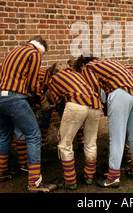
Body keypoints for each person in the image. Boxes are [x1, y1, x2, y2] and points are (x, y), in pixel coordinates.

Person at [0, 36, 56, 193]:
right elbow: (33, 83)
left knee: (5, 134)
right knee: (34, 135)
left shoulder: (14, 50)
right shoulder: (34, 54)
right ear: (42, 49)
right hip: (13, 98)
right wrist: (42, 101)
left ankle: (0, 173)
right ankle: (34, 183)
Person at [74, 57, 133, 188]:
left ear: (82, 64)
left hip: (121, 93)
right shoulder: (107, 62)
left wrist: (104, 105)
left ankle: (113, 177)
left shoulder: (87, 67)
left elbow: (95, 88)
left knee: (116, 137)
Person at [48, 61, 103, 190]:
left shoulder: (54, 78)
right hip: (95, 104)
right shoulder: (78, 75)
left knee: (65, 144)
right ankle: (89, 177)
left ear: (55, 71)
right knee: (90, 142)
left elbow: (56, 100)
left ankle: (70, 181)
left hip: (76, 104)